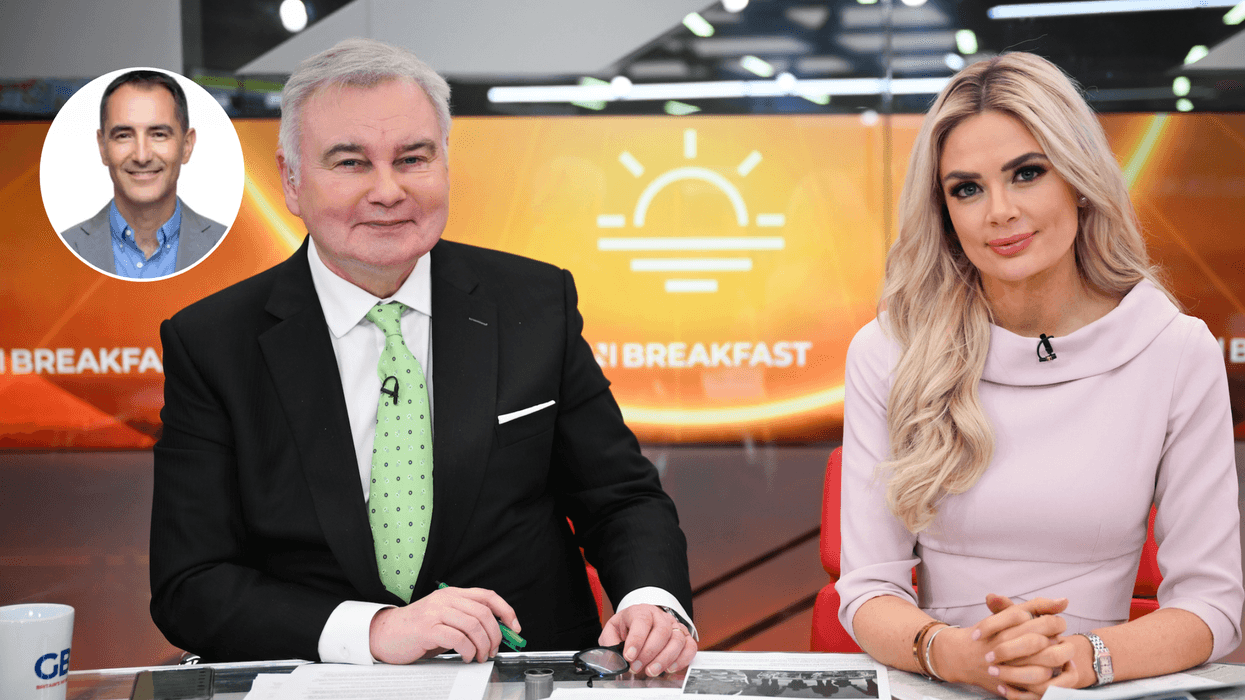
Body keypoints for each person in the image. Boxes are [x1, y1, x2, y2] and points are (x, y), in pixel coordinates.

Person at [149, 38, 696, 674]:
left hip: (530, 677)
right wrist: (375, 630)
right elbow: (191, 584)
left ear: (444, 165)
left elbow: (621, 498)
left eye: (413, 158)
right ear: (291, 183)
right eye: (351, 163)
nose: (388, 191)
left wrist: (652, 600)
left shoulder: (534, 302)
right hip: (328, 683)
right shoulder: (214, 340)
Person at [837, 52, 1242, 699]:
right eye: (965, 188)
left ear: (1077, 178)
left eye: (1025, 173)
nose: (997, 210)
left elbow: (1211, 607)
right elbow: (867, 590)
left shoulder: (1172, 349)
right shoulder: (888, 351)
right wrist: (957, 654)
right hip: (942, 684)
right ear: (943, 212)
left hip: (1094, 687)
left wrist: (1082, 658)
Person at [60, 70, 225, 278]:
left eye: (158, 134)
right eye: (124, 135)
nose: (141, 156)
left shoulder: (226, 244)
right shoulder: (63, 249)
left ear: (186, 145)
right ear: (103, 148)